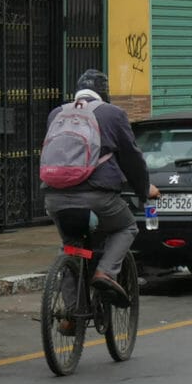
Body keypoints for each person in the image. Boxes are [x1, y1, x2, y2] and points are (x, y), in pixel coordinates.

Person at [43, 69, 158, 301]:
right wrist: (144, 188)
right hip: (96, 198)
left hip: (54, 197)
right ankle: (106, 272)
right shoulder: (113, 114)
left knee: (71, 247)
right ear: (104, 93)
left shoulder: (56, 113)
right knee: (127, 227)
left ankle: (68, 314)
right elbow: (131, 158)